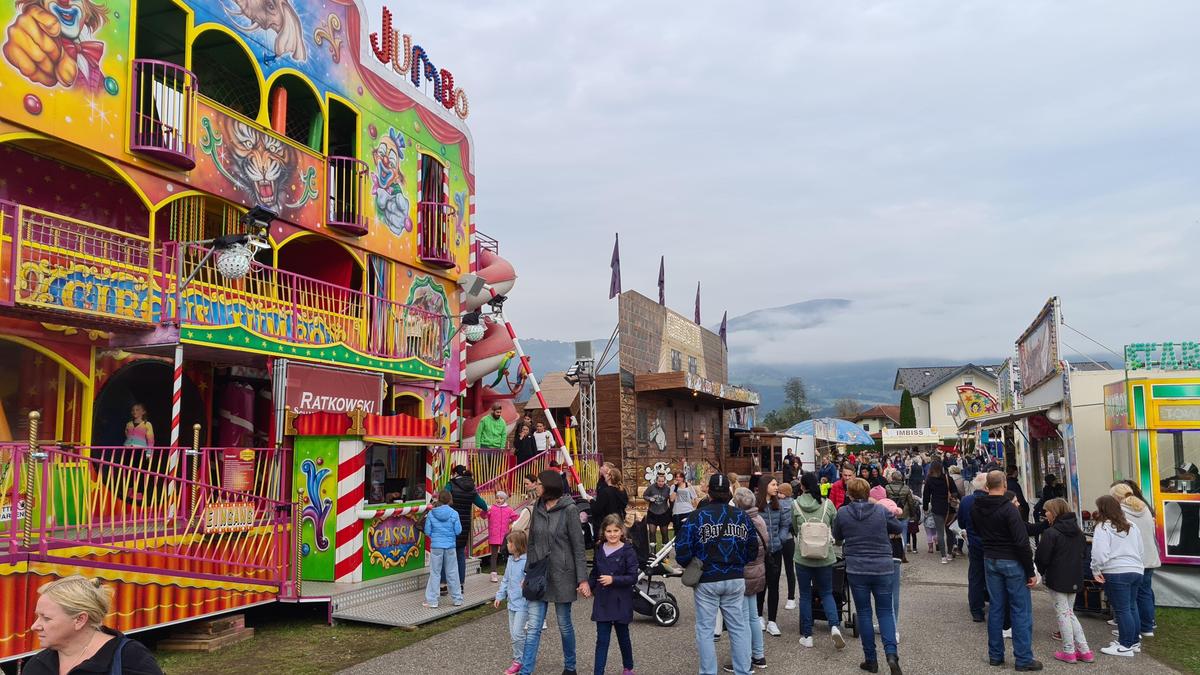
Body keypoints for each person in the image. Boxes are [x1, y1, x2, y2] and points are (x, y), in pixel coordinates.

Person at [675, 474, 757, 675]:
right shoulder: (741, 516)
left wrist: (691, 564)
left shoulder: (697, 517)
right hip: (735, 576)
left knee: (705, 629)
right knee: (738, 627)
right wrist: (737, 563)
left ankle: (708, 672)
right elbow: (752, 549)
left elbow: (682, 549)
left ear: (708, 492)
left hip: (707, 578)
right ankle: (742, 671)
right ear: (728, 492)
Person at [520, 470, 590, 675]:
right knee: (533, 627)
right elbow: (531, 542)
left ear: (549, 487)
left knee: (564, 623)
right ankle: (525, 671)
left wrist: (582, 579)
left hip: (562, 573)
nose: (536, 487)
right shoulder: (537, 507)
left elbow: (578, 547)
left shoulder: (569, 510)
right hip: (539, 573)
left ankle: (570, 667)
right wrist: (527, 573)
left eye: (539, 484)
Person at [973, 471, 1042, 671]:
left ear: (987, 485)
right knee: (1020, 609)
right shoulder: (1009, 509)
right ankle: (1023, 658)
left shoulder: (978, 507)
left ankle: (995, 655)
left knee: (996, 607)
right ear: (1003, 484)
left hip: (990, 557)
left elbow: (977, 530)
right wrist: (1030, 570)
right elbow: (1021, 542)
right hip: (1011, 560)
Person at [25, 575, 163, 675]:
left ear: (80, 620)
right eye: (38, 616)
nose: (34, 626)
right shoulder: (37, 664)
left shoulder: (130, 658)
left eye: (46, 618)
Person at [833, 478, 903, 675]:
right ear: (868, 494)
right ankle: (891, 654)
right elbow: (898, 527)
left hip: (857, 567)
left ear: (849, 494)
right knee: (885, 612)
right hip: (882, 565)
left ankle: (870, 660)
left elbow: (837, 535)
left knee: (864, 612)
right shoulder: (880, 511)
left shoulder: (843, 513)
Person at [1033, 498, 1093, 664]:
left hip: (1058, 578)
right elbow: (1083, 554)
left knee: (1063, 614)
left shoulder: (1051, 533)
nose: (1045, 514)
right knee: (1069, 613)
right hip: (1074, 577)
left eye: (1047, 511)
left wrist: (1039, 572)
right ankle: (1084, 650)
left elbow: (1042, 557)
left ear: (1055, 512)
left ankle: (1069, 650)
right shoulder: (1079, 533)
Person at [792, 471, 845, 650]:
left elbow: (794, 528)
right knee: (827, 593)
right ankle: (835, 626)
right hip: (825, 556)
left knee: (805, 595)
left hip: (803, 556)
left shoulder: (795, 504)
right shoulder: (828, 504)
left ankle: (807, 635)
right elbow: (837, 528)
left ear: (802, 486)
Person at [1091, 494, 1144, 658]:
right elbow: (1141, 548)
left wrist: (1095, 569)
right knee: (1131, 606)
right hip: (1136, 569)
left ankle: (1125, 645)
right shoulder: (1132, 525)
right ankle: (1133, 641)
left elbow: (1100, 553)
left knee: (1122, 610)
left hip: (1116, 571)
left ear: (1102, 509)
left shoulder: (1103, 527)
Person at [589, 514, 639, 675]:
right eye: (609, 531)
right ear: (603, 532)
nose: (612, 534)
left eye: (616, 530)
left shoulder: (628, 551)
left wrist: (614, 579)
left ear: (622, 531)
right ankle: (598, 672)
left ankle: (628, 667)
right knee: (602, 640)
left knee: (623, 637)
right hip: (603, 601)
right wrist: (588, 586)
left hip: (621, 600)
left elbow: (633, 577)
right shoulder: (599, 548)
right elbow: (595, 572)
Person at [725, 487, 768, 672]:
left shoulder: (741, 523)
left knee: (741, 620)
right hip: (757, 570)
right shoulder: (759, 519)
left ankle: (744, 660)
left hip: (743, 573)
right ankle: (758, 654)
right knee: (753, 616)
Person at [1110, 482, 1160, 640]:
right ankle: (1148, 626)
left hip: (1133, 558)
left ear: (1116, 496)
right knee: (1144, 593)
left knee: (1130, 600)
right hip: (1150, 556)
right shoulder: (1143, 508)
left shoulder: (1120, 511)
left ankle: (1131, 630)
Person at [754, 476, 790, 637]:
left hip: (775, 550)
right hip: (760, 552)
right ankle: (759, 615)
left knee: (774, 584)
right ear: (765, 486)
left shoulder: (779, 506)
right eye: (774, 484)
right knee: (760, 585)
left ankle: (773, 621)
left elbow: (785, 525)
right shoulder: (755, 505)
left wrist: (780, 538)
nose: (777, 487)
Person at [955, 473, 989, 622]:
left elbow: (961, 523)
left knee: (975, 576)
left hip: (974, 543)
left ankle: (976, 609)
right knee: (993, 575)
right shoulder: (994, 500)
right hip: (992, 544)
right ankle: (993, 602)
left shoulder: (966, 501)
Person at [495, 530, 529, 675]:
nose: (507, 545)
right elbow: (506, 579)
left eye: (510, 542)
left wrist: (526, 582)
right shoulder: (510, 560)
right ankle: (525, 655)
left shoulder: (527, 561)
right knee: (514, 633)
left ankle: (519, 661)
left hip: (523, 604)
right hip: (511, 603)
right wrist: (499, 596)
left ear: (518, 545)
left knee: (517, 633)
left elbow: (530, 578)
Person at [447, 465, 488, 585]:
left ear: (455, 474)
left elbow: (442, 499)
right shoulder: (471, 488)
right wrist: (484, 511)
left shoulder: (451, 485)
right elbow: (483, 505)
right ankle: (461, 584)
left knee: (446, 553)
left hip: (449, 524)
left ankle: (444, 584)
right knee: (460, 554)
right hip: (464, 526)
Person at [424, 490, 464, 608]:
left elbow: (427, 531)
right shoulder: (454, 513)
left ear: (439, 499)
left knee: (435, 573)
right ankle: (457, 599)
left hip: (436, 546)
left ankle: (432, 601)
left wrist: (435, 537)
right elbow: (458, 531)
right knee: (452, 572)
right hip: (450, 546)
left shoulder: (431, 513)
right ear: (450, 499)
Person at [922, 460, 959, 564]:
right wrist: (952, 496)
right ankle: (950, 554)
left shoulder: (929, 480)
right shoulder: (948, 478)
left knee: (940, 532)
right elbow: (955, 492)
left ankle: (943, 556)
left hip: (937, 508)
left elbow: (926, 496)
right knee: (949, 531)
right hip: (949, 508)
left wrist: (925, 508)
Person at [883, 469, 916, 563]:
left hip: (890, 513)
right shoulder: (906, 488)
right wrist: (913, 514)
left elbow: (885, 499)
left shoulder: (887, 487)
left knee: (890, 534)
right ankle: (902, 554)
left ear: (892, 478)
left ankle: (891, 553)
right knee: (903, 534)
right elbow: (910, 502)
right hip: (903, 514)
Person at [487, 491, 519, 582]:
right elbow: (483, 516)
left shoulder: (508, 509)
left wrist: (511, 524)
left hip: (505, 536)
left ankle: (508, 573)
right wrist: (485, 509)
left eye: (501, 498)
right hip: (494, 535)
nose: (498, 500)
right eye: (497, 498)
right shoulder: (492, 508)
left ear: (504, 499)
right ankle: (493, 573)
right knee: (494, 555)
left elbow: (515, 517)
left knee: (507, 554)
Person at [776, 482, 798, 610]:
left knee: (776, 569)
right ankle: (791, 598)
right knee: (790, 569)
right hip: (790, 538)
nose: (778, 494)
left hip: (778, 538)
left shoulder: (776, 504)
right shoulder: (794, 504)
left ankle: (778, 596)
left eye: (780, 492)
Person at [593, 465, 629, 537]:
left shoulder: (606, 492)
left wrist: (591, 501)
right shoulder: (622, 490)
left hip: (608, 523)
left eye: (607, 474)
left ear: (609, 477)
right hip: (619, 521)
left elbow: (597, 509)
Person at [643, 473, 673, 548]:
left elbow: (672, 499)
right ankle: (653, 554)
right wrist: (650, 498)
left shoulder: (668, 488)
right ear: (656, 480)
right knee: (652, 532)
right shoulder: (651, 487)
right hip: (652, 513)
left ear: (665, 481)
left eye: (662, 481)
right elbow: (645, 495)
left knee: (665, 533)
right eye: (659, 481)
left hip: (664, 513)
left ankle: (665, 555)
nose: (661, 483)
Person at [670, 472, 698, 541]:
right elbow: (671, 499)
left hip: (688, 511)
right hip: (677, 512)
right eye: (676, 477)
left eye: (680, 477)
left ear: (683, 478)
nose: (678, 478)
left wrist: (696, 509)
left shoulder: (688, 486)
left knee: (687, 531)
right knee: (677, 532)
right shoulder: (673, 487)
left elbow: (695, 498)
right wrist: (676, 488)